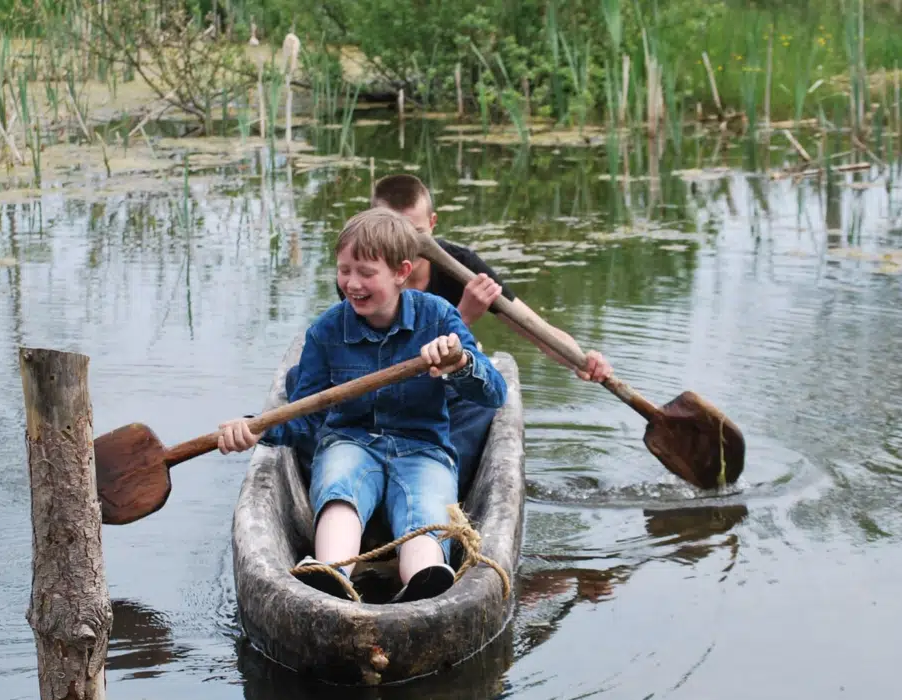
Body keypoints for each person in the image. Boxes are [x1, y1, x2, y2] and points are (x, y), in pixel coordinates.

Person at [217, 207, 508, 603]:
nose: (351, 284)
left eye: (366, 273)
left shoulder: (438, 317)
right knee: (341, 486)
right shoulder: (325, 333)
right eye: (344, 270)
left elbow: (493, 394)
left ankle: (424, 581)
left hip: (423, 447)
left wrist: (459, 363)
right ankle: (331, 574)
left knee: (427, 504)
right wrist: (256, 429)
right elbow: (305, 417)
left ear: (401, 272)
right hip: (350, 442)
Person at [288, 173, 616, 495]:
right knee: (297, 381)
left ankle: (444, 486)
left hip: (441, 388)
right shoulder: (362, 272)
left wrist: (580, 361)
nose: (404, 243)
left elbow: (531, 325)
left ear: (432, 224)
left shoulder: (462, 266)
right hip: (376, 382)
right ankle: (337, 478)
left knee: (485, 405)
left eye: (414, 232)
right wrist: (465, 314)